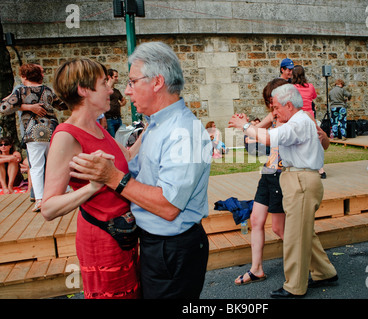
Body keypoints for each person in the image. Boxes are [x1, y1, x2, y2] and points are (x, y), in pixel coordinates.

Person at [69, 42, 212, 299]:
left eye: (133, 82)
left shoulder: (183, 132)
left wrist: (112, 177)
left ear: (157, 82)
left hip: (172, 248)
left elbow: (168, 206)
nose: (126, 90)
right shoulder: (157, 125)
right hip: (157, 244)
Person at [41, 58, 141, 299]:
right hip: (102, 240)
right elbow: (48, 208)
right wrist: (94, 186)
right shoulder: (67, 135)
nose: (110, 89)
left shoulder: (98, 127)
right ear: (83, 90)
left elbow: (124, 157)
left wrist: (151, 130)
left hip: (124, 234)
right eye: (104, 83)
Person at [229, 84, 336, 298]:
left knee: (295, 236)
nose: (274, 112)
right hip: (297, 178)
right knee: (303, 233)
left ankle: (294, 287)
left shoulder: (298, 122)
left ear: (288, 105)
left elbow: (268, 138)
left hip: (301, 180)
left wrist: (244, 125)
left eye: (276, 107)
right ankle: (325, 273)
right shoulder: (301, 120)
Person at [233, 78, 287, 286]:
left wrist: (247, 126)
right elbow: (253, 135)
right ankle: (256, 269)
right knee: (256, 220)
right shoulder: (274, 113)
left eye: (271, 100)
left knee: (279, 229)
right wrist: (246, 124)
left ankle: (312, 262)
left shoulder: (290, 117)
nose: (270, 105)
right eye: (268, 101)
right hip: (268, 172)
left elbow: (266, 137)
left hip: (281, 174)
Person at [0, 63, 63, 212]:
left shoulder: (21, 91)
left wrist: (21, 105)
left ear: (23, 76)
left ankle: (40, 199)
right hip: (51, 130)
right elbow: (62, 106)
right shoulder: (47, 90)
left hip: (33, 132)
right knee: (54, 164)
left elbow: (4, 108)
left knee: (36, 166)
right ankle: (60, 193)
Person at [292, 65, 327, 178]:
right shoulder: (310, 86)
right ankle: (320, 168)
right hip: (310, 116)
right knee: (315, 141)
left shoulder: (292, 88)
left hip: (298, 116)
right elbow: (313, 97)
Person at [105, 69, 126, 137]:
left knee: (121, 139)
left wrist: (119, 104)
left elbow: (124, 100)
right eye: (115, 76)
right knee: (113, 140)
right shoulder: (104, 90)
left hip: (118, 119)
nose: (117, 78)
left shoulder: (116, 91)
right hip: (109, 119)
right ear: (109, 77)